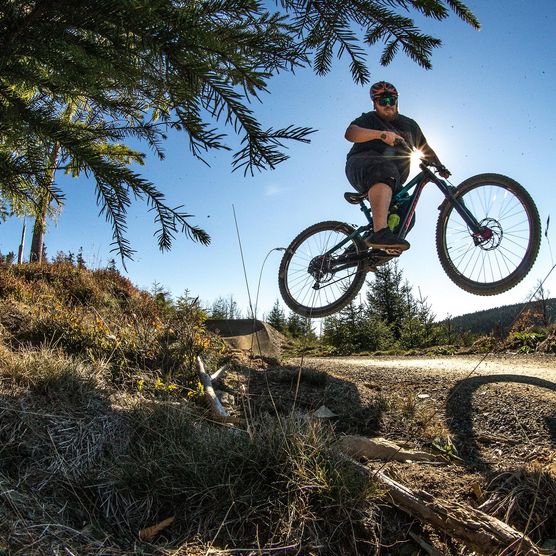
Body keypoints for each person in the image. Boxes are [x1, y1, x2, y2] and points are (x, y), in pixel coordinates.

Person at [345, 81, 450, 251]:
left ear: (397, 101)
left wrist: (440, 166)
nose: (388, 105)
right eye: (382, 102)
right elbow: (351, 133)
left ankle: (370, 254)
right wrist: (381, 135)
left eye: (391, 101)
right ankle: (380, 234)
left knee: (408, 210)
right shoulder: (370, 119)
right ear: (375, 104)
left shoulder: (409, 125)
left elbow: (425, 148)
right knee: (384, 169)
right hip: (361, 165)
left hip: (393, 182)